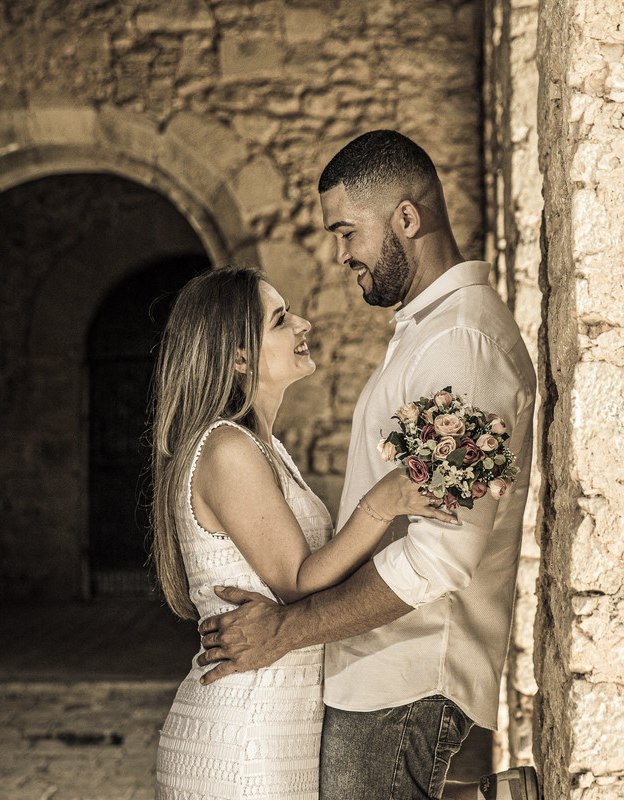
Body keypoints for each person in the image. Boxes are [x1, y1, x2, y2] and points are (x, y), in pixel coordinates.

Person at [195, 131, 542, 800]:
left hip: (406, 672)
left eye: (347, 232)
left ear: (406, 218)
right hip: (378, 666)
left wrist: (286, 631)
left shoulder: (461, 342)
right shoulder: (429, 331)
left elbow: (442, 555)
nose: (339, 254)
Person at [150, 265, 460, 799]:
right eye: (280, 319)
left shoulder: (264, 448)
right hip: (245, 736)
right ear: (240, 357)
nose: (304, 324)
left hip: (277, 722)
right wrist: (383, 502)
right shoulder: (227, 448)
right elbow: (297, 583)